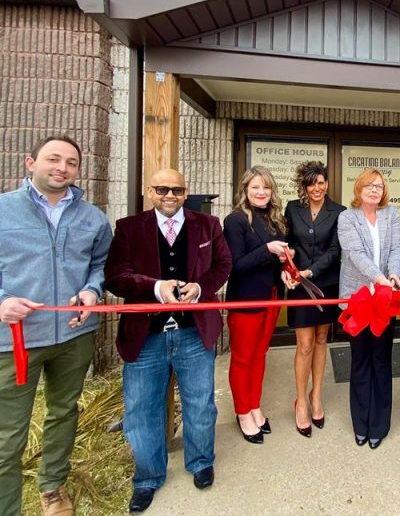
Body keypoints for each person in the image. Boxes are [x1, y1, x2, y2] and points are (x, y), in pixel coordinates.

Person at [105, 169, 231, 513]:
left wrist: (202, 288)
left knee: (201, 403)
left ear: (186, 191)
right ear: (150, 191)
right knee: (141, 409)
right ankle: (147, 477)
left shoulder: (208, 225)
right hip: (146, 336)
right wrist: (155, 287)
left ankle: (202, 461)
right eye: (162, 189)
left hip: (194, 332)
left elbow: (223, 264)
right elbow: (115, 277)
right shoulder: (129, 228)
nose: (170, 195)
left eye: (177, 189)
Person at [0, 135, 112, 516]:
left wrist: (92, 290)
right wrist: (1, 301)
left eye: (70, 162)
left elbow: (99, 266)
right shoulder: (3, 210)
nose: (62, 168)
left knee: (64, 412)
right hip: (14, 339)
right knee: (9, 432)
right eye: (53, 159)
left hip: (72, 336)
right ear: (30, 163)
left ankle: (52, 486)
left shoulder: (92, 218)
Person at [337, 168, 400, 450]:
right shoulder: (347, 217)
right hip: (357, 300)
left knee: (382, 359)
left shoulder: (391, 215)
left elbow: (395, 250)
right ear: (359, 189)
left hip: (384, 301)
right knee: (360, 360)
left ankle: (379, 424)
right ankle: (360, 423)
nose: (374, 190)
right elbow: (354, 254)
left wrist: (393, 275)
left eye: (379, 185)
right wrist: (379, 278)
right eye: (369, 185)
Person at [223, 167, 290, 442]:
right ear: (245, 191)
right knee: (242, 358)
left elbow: (276, 261)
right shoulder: (235, 220)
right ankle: (242, 412)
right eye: (255, 188)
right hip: (246, 300)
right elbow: (235, 266)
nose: (261, 193)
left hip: (272, 296)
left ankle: (254, 405)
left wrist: (286, 270)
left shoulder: (276, 220)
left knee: (260, 355)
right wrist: (268, 250)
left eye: (266, 188)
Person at [284, 161, 345, 437]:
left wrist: (312, 270)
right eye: (311, 183)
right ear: (304, 186)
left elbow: (335, 250)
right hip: (298, 284)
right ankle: (300, 400)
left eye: (321, 182)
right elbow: (288, 243)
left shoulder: (339, 212)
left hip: (326, 283)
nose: (317, 188)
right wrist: (290, 264)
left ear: (327, 183)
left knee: (321, 340)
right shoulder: (292, 209)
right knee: (305, 344)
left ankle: (316, 395)